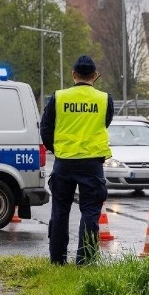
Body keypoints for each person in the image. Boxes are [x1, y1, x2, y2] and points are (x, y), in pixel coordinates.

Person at [40, 55, 114, 266]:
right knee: (90, 212)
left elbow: (45, 128)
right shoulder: (104, 99)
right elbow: (105, 123)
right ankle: (86, 261)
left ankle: (57, 260)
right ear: (95, 76)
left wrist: (58, 149)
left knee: (60, 211)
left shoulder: (59, 97)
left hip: (64, 162)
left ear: (73, 75)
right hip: (92, 163)